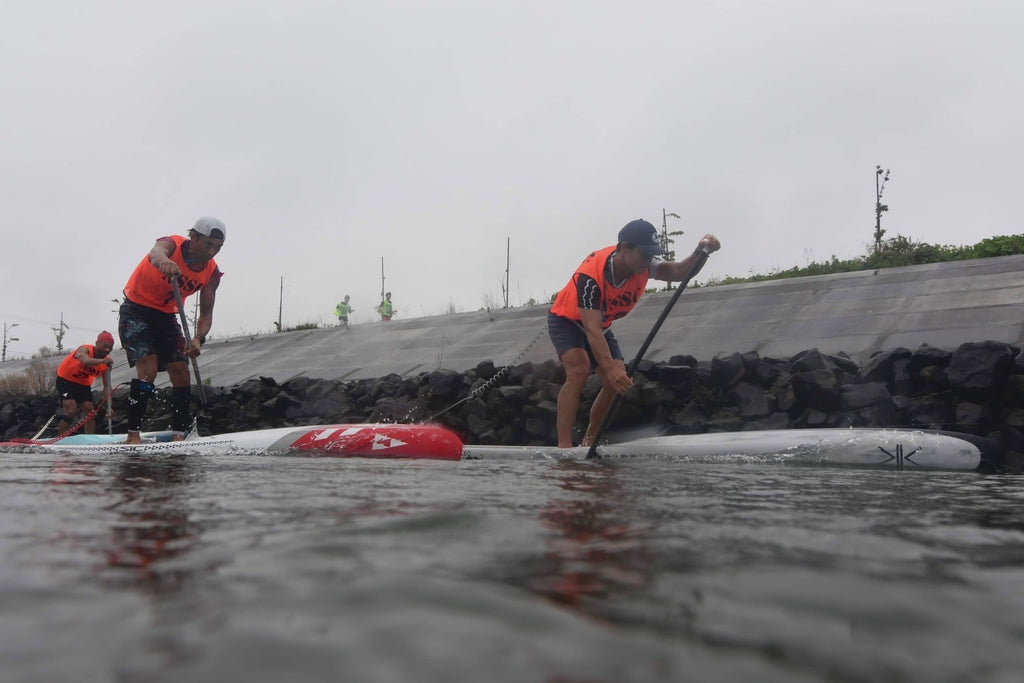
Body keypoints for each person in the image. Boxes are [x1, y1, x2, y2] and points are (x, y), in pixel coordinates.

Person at [548, 219, 721, 448]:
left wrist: (702, 252)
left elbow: (680, 271)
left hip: (602, 325)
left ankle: (590, 439)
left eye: (652, 255)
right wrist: (607, 368)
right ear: (624, 249)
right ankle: (564, 447)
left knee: (616, 380)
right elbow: (591, 329)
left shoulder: (645, 266)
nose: (648, 261)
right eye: (644, 254)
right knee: (579, 370)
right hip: (567, 320)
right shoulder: (590, 276)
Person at [118, 216, 226, 444]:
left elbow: (206, 313)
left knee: (181, 370)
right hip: (136, 310)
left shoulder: (212, 273)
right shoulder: (172, 244)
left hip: (166, 316)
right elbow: (155, 253)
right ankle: (133, 436)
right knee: (148, 367)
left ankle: (179, 435)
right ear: (193, 237)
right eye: (208, 244)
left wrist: (198, 338)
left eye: (217, 247)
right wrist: (163, 262)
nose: (212, 252)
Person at [55, 331, 115, 434]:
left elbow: (107, 386)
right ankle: (59, 439)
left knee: (91, 413)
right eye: (105, 346)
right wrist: (101, 361)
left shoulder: (106, 363)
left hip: (83, 385)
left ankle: (90, 440)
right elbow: (86, 361)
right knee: (71, 410)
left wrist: (110, 406)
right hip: (65, 381)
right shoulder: (85, 349)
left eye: (110, 347)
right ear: (97, 343)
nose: (107, 350)